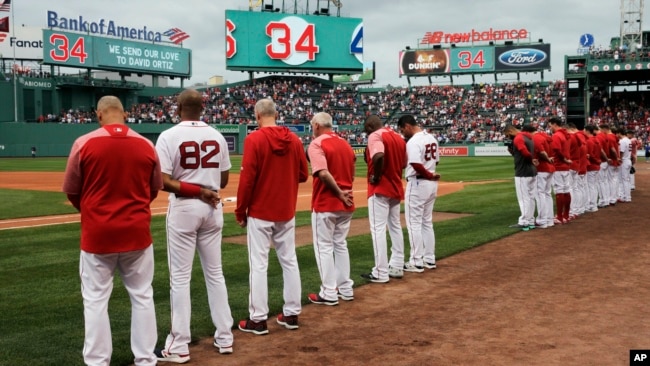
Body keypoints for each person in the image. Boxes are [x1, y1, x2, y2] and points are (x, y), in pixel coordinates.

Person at [62, 96, 162, 366]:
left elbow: (72, 190)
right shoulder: (146, 144)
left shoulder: (84, 143)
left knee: (95, 300)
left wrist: (93, 212)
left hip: (98, 234)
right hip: (137, 233)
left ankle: (97, 362)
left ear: (99, 115)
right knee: (142, 296)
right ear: (125, 114)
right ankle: (145, 359)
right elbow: (153, 189)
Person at [154, 89, 234, 362]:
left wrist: (196, 190)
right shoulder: (218, 135)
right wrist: (204, 188)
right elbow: (223, 182)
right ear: (203, 107)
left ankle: (178, 346)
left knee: (180, 278)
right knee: (215, 274)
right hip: (213, 207)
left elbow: (163, 181)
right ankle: (225, 337)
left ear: (178, 107)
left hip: (185, 206)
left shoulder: (168, 136)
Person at [235, 98, 308, 334]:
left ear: (257, 116)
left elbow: (247, 181)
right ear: (276, 114)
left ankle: (258, 319)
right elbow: (303, 175)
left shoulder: (254, 139)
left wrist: (240, 209)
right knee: (289, 260)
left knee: (259, 264)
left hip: (260, 210)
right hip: (286, 210)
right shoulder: (295, 140)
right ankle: (291, 313)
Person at [306, 112, 356, 305]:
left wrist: (337, 193)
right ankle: (345, 288)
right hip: (347, 202)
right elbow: (352, 170)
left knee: (324, 247)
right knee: (340, 244)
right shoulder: (345, 143)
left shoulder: (317, 143)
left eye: (312, 126)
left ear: (317, 125)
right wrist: (344, 192)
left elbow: (323, 173)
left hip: (327, 202)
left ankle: (328, 292)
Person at [360, 115, 407, 283]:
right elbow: (403, 164)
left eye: (367, 131)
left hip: (380, 188)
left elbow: (378, 156)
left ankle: (380, 271)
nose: (367, 135)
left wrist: (377, 175)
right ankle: (397, 265)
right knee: (395, 226)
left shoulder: (376, 135)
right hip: (395, 186)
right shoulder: (398, 137)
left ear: (371, 126)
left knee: (378, 229)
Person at [397, 115, 440, 271]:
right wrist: (431, 174)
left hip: (418, 183)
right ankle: (429, 259)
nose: (403, 134)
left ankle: (416, 261)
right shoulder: (431, 138)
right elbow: (436, 161)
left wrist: (428, 174)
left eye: (403, 130)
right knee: (426, 222)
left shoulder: (414, 141)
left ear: (408, 126)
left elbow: (415, 163)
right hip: (431, 184)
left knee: (414, 223)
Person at [504, 124, 538, 231]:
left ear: (510, 131)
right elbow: (521, 153)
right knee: (531, 197)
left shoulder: (518, 138)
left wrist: (530, 159)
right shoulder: (528, 137)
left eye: (507, 135)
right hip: (532, 171)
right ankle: (531, 220)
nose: (508, 137)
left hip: (523, 172)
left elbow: (524, 152)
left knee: (523, 198)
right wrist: (512, 152)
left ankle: (524, 222)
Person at [528, 125, 555, 228]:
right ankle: (549, 219)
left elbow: (541, 151)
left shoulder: (537, 138)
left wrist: (547, 159)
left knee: (540, 194)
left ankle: (542, 220)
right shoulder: (547, 137)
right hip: (550, 168)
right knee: (547, 194)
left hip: (542, 168)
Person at [548, 117, 572, 224]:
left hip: (558, 166)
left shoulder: (557, 135)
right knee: (566, 190)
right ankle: (566, 215)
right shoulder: (565, 134)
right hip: (565, 167)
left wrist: (564, 159)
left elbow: (557, 150)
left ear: (554, 124)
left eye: (550, 125)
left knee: (559, 190)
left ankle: (560, 216)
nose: (550, 128)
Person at [584, 125, 602, 212]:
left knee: (590, 186)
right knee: (594, 185)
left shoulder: (589, 141)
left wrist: (596, 160)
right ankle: (594, 204)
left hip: (591, 165)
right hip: (596, 166)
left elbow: (590, 155)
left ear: (587, 131)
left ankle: (591, 205)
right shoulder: (597, 140)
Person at [617, 128, 632, 202]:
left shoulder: (622, 141)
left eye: (617, 133)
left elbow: (621, 151)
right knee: (626, 179)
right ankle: (626, 196)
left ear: (620, 133)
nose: (617, 135)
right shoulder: (629, 140)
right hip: (628, 160)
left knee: (623, 180)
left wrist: (619, 159)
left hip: (624, 161)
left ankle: (625, 197)